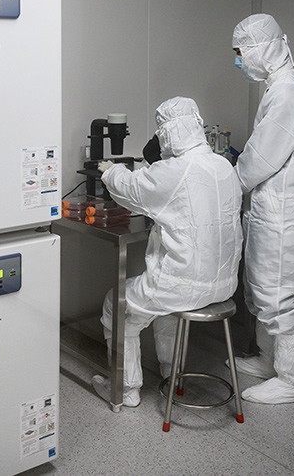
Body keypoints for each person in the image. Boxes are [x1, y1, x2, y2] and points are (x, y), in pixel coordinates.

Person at [91, 96, 242, 407]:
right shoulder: (224, 166)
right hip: (225, 284)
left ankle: (126, 389)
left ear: (167, 133)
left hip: (183, 285)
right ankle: (172, 371)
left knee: (116, 305)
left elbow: (131, 189)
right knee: (165, 310)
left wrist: (109, 171)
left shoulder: (175, 170)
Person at [230, 13, 294, 404]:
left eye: (241, 52)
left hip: (287, 213)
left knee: (279, 292)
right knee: (261, 287)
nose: (238, 61)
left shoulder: (288, 90)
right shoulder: (279, 87)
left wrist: (229, 184)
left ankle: (291, 379)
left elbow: (263, 156)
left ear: (261, 49)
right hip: (273, 209)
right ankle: (269, 360)